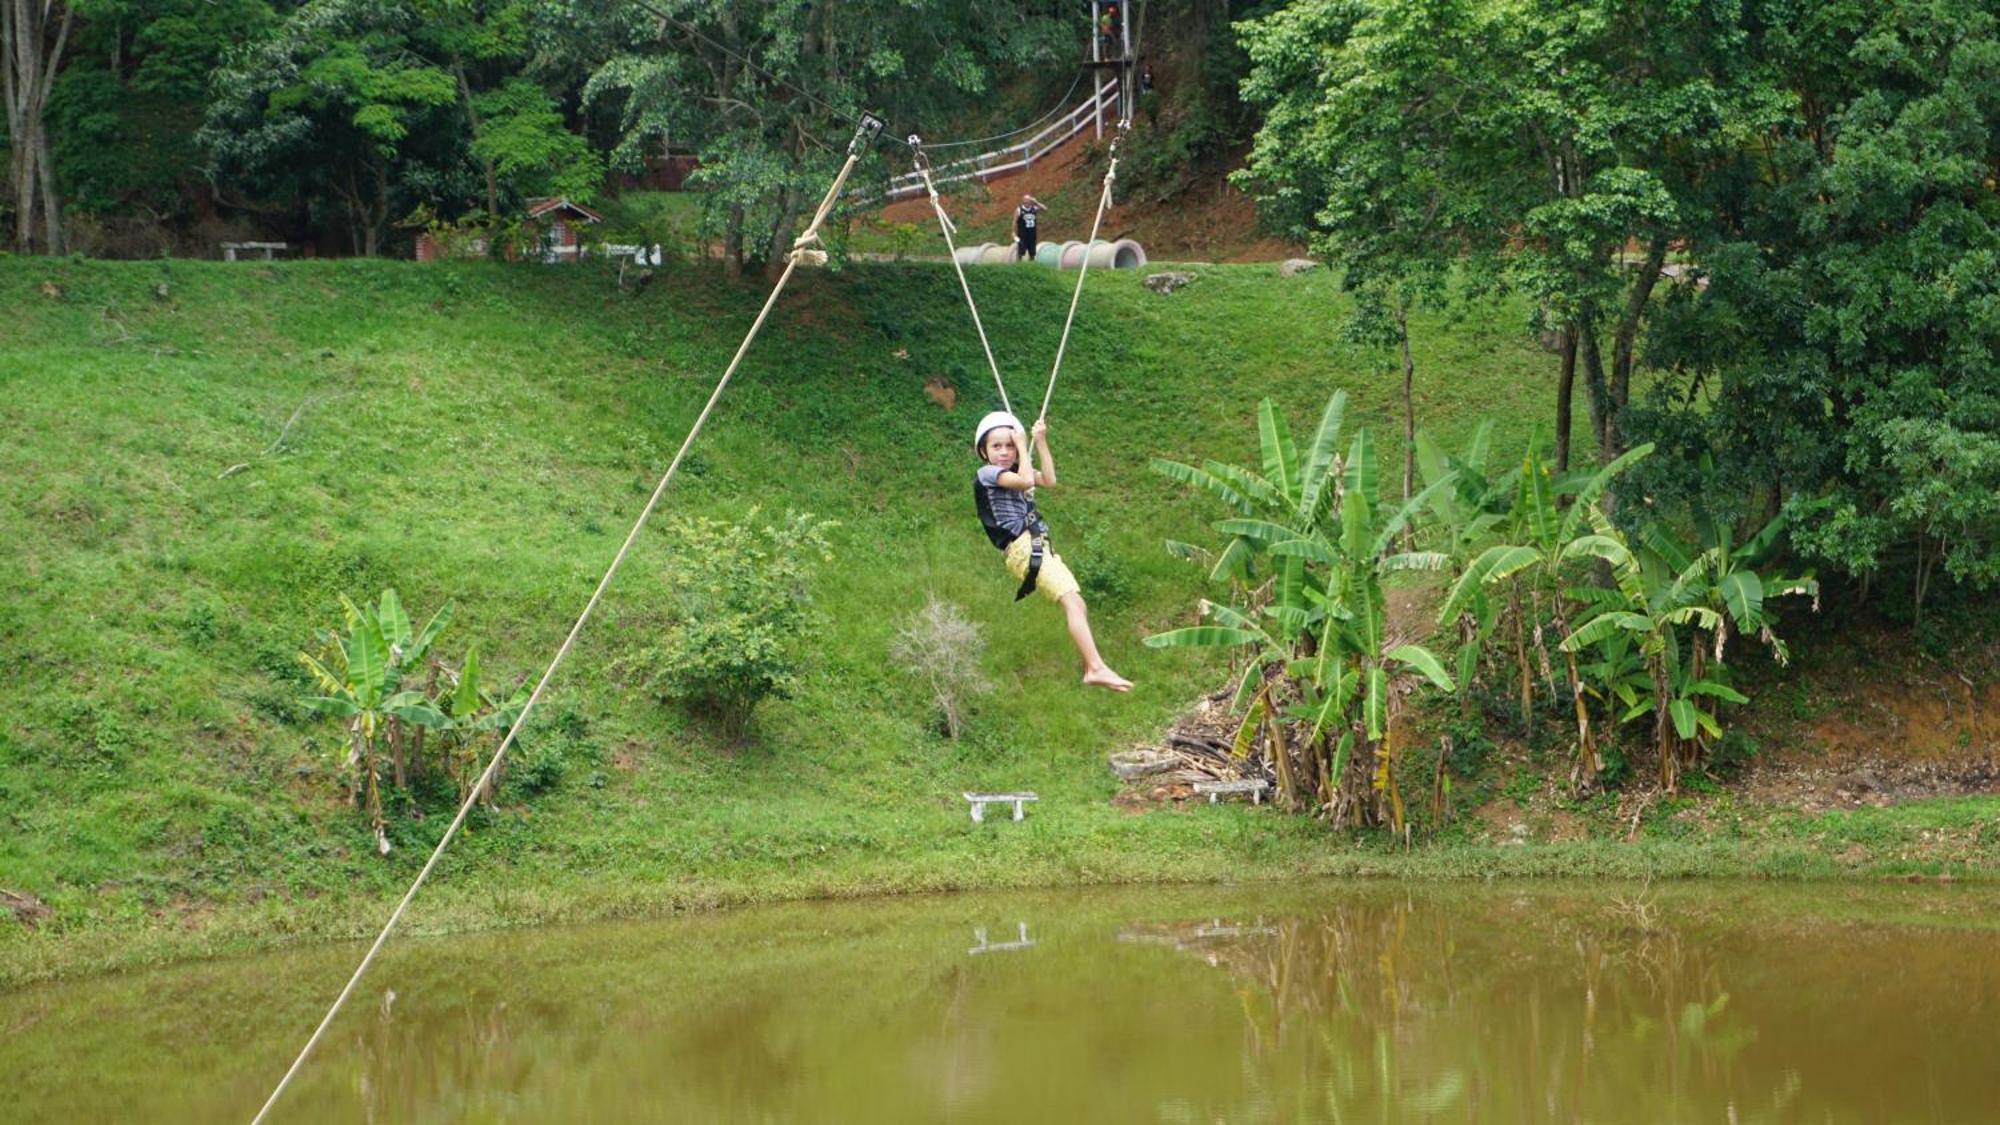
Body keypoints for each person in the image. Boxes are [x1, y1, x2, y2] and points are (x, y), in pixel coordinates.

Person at [972, 411, 1133, 692]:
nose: (1004, 452)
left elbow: (1048, 479)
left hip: (1036, 546)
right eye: (997, 446)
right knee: (1071, 601)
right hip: (1022, 548)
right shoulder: (988, 474)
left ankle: (1090, 666)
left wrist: (1041, 442)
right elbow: (1025, 482)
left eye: (1009, 446)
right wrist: (1023, 446)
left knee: (1078, 603)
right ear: (984, 452)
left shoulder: (1013, 471)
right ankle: (1095, 667)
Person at [1013, 194, 1044, 262]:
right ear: (1023, 201)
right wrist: (1013, 232)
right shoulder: (1019, 210)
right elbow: (1014, 221)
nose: (1028, 201)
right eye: (1026, 200)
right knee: (1021, 251)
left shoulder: (1034, 208)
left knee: (1032, 252)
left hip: (1032, 234)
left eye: (1029, 199)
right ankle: (1019, 264)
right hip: (1022, 235)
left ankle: (1031, 265)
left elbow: (1044, 208)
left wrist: (1036, 202)